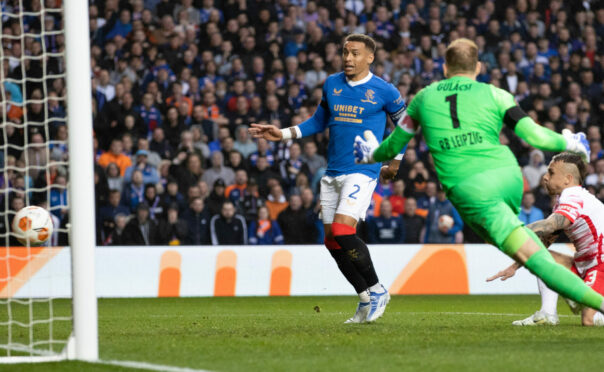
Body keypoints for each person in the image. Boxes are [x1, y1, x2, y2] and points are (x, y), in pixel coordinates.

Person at [353, 38, 604, 317]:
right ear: (479, 67)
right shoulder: (496, 94)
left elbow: (394, 145)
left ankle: (575, 304)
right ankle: (569, 294)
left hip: (472, 189)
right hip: (508, 175)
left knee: (535, 259)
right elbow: (533, 135)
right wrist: (567, 142)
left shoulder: (423, 98)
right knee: (517, 243)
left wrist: (370, 154)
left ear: (446, 67)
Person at [250, 34, 406, 323]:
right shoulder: (332, 83)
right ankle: (363, 299)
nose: (348, 58)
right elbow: (318, 121)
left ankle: (377, 289)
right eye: (345, 52)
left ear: (369, 58)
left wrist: (395, 161)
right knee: (332, 242)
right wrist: (282, 133)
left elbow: (406, 124)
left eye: (355, 53)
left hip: (363, 167)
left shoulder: (384, 90)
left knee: (344, 232)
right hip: (333, 171)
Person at [488, 153, 604, 326]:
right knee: (541, 256)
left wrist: (509, 231)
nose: (545, 177)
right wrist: (514, 266)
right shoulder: (566, 199)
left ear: (567, 179)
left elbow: (549, 226)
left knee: (588, 320)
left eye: (551, 172)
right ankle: (547, 314)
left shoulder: (573, 196)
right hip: (584, 264)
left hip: (600, 265)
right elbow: (544, 239)